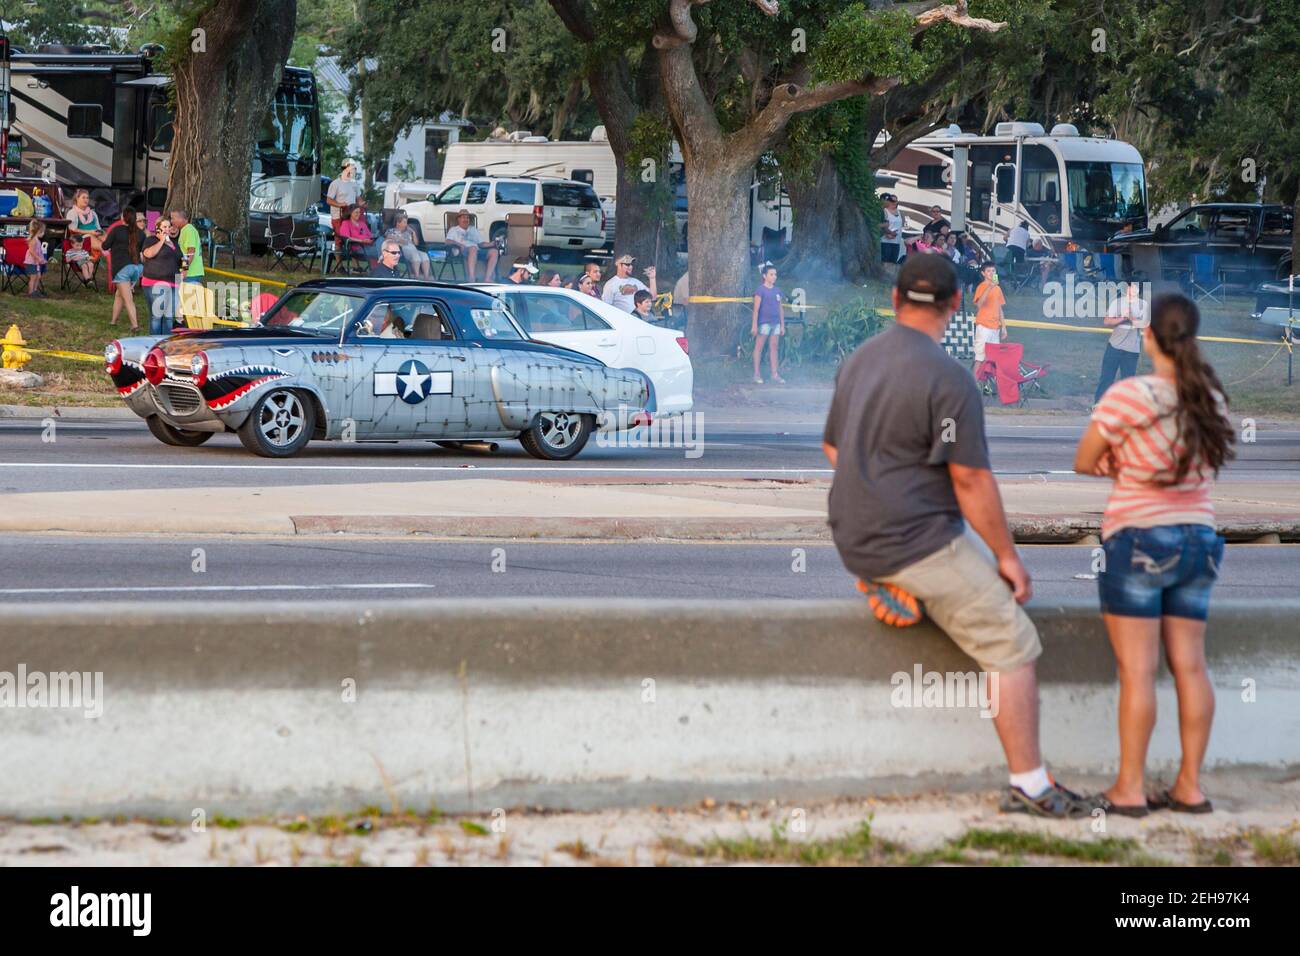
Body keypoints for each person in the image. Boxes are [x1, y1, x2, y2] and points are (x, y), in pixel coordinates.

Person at [823, 253, 1085, 819]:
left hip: (851, 532)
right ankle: (1031, 786)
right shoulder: (949, 378)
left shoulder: (859, 361)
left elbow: (833, 449)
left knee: (933, 562)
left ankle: (885, 577)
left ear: (894, 301)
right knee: (1011, 643)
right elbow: (969, 479)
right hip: (912, 538)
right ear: (956, 306)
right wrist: (1008, 558)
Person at [1073, 293, 1235, 817]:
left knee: (1139, 671)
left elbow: (1083, 460)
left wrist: (1123, 467)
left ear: (1147, 336)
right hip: (1200, 538)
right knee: (1191, 666)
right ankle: (1190, 787)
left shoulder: (1129, 395)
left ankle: (1130, 789)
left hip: (1140, 535)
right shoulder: (1210, 396)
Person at [1093, 281, 1150, 406]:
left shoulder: (1143, 305)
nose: (1131, 290)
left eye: (1135, 288)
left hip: (1132, 350)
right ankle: (1099, 404)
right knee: (1107, 378)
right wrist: (1122, 318)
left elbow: (1145, 325)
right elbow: (1107, 321)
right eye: (1130, 287)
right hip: (1114, 346)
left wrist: (1131, 318)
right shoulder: (1118, 302)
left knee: (1128, 381)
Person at [103, 205, 146, 330]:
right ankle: (113, 321)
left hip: (122, 269)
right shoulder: (141, 233)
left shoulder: (117, 230)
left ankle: (135, 326)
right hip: (137, 268)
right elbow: (144, 250)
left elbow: (105, 246)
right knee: (119, 295)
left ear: (123, 217)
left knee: (128, 299)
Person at [141, 217, 181, 334]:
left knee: (168, 317)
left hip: (173, 283)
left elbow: (182, 262)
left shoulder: (174, 244)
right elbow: (148, 254)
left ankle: (165, 343)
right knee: (157, 316)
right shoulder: (151, 240)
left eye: (169, 227)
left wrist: (181, 278)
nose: (167, 229)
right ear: (157, 228)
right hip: (154, 283)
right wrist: (162, 241)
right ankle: (155, 343)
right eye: (164, 227)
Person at [751, 263, 786, 385]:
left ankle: (774, 374)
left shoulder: (777, 291)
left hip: (775, 323)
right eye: (771, 274)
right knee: (759, 348)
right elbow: (756, 309)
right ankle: (756, 374)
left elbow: (780, 308)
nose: (774, 277)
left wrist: (782, 325)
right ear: (765, 276)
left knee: (774, 348)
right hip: (764, 323)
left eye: (775, 274)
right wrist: (754, 325)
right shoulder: (760, 290)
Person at [971, 261, 1006, 371]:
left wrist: (1004, 327)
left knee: (993, 358)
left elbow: (999, 308)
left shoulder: (998, 289)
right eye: (988, 271)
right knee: (980, 358)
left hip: (995, 327)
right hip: (984, 326)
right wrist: (989, 287)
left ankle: (986, 384)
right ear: (983, 273)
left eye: (993, 271)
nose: (991, 273)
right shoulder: (982, 287)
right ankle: (972, 384)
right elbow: (979, 305)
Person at [445, 209, 498, 281]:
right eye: (463, 217)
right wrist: (459, 244)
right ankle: (471, 277)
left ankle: (487, 278)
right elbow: (447, 241)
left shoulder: (473, 229)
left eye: (467, 218)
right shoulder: (453, 229)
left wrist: (492, 243)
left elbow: (481, 244)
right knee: (473, 248)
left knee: (494, 252)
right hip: (461, 251)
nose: (466, 219)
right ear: (458, 219)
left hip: (476, 250)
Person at [65, 188, 103, 284]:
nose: (86, 200)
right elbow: (72, 229)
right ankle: (106, 250)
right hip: (80, 239)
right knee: (91, 237)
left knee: (105, 234)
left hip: (94, 235)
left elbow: (98, 227)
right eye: (83, 197)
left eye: (87, 198)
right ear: (77, 198)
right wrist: (90, 232)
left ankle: (112, 249)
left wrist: (99, 232)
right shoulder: (72, 212)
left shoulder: (93, 213)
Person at [383, 213, 429, 279]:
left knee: (424, 256)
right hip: (402, 250)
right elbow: (387, 240)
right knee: (416, 256)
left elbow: (416, 244)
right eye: (404, 222)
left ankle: (426, 278)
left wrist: (413, 233)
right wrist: (399, 240)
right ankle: (416, 277)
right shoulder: (391, 231)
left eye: (406, 222)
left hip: (413, 249)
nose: (406, 224)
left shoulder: (408, 232)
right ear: (398, 223)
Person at [326, 160, 362, 233]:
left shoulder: (354, 183)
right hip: (338, 217)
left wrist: (362, 203)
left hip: (351, 216)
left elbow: (358, 198)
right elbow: (329, 200)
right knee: (340, 240)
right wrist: (340, 204)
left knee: (353, 238)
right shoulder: (335, 183)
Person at [171, 209, 204, 286]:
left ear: (181, 218)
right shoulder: (185, 230)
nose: (171, 221)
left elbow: (190, 251)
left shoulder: (188, 230)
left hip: (190, 273)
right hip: (186, 271)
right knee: (177, 293)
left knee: (184, 295)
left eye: (173, 218)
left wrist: (184, 270)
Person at [336, 204, 374, 269]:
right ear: (350, 212)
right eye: (356, 212)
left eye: (359, 212)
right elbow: (346, 238)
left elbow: (370, 236)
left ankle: (377, 269)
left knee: (381, 242)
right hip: (355, 249)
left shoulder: (362, 223)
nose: (358, 214)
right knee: (380, 251)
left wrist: (371, 240)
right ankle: (377, 270)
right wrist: (362, 241)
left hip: (368, 247)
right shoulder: (346, 223)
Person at [24, 220, 48, 298]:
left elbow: (39, 252)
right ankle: (31, 292)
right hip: (31, 262)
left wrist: (42, 259)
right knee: (33, 277)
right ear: (39, 231)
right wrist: (38, 258)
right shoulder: (33, 240)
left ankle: (35, 290)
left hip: (36, 262)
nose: (44, 233)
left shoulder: (38, 240)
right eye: (43, 232)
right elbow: (31, 251)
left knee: (38, 276)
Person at [879, 193, 903, 265]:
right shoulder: (884, 211)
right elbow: (883, 225)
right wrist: (889, 233)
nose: (893, 202)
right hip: (886, 241)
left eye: (895, 201)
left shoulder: (900, 212)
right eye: (891, 201)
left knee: (893, 262)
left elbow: (901, 226)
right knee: (885, 263)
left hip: (897, 241)